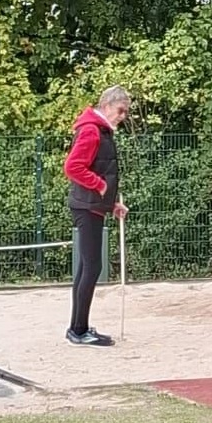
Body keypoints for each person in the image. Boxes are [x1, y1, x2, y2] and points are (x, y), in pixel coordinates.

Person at [62, 86, 132, 347]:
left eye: (125, 111)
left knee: (87, 266)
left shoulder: (98, 129)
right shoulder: (91, 130)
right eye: (120, 110)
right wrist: (100, 186)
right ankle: (78, 330)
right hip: (86, 205)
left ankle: (77, 326)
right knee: (92, 266)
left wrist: (110, 203)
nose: (123, 116)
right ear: (107, 105)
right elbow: (73, 166)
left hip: (91, 204)